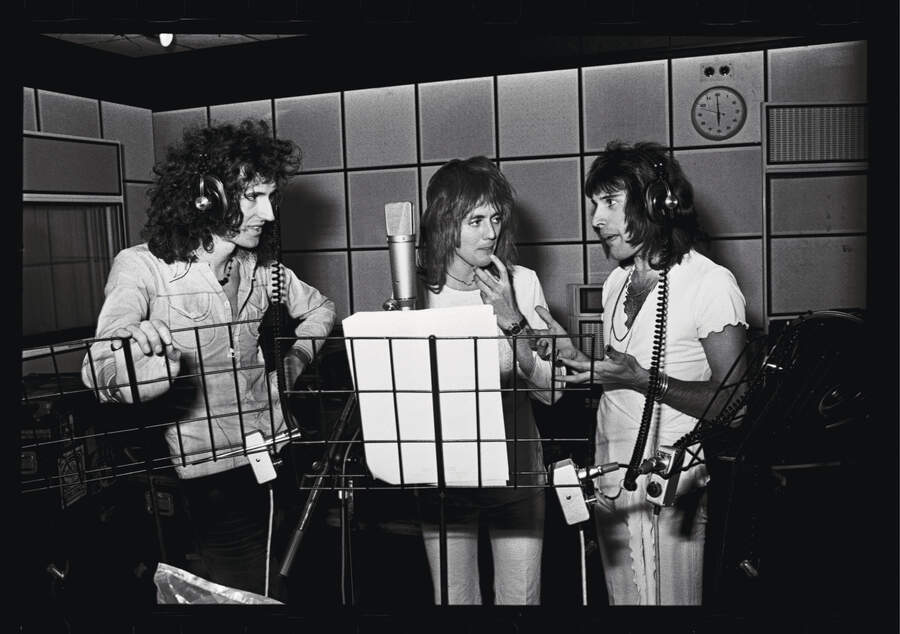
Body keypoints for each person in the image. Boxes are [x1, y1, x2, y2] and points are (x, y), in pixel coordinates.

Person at [80, 119, 336, 600]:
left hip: (278, 451)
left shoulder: (260, 268)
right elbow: (100, 365)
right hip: (210, 474)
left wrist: (297, 359)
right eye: (253, 197)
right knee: (240, 594)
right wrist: (134, 369)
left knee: (289, 581)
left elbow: (321, 308)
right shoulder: (143, 267)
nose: (269, 213)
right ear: (205, 197)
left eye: (270, 197)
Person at [534, 141, 748, 605]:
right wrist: (574, 355)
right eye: (595, 204)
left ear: (655, 204)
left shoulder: (711, 284)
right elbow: (622, 375)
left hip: (673, 486)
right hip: (611, 478)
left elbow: (736, 405)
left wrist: (646, 380)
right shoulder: (618, 281)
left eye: (610, 202)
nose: (596, 219)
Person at [414, 156, 563, 605]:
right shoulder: (418, 296)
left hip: (517, 472)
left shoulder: (523, 283)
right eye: (475, 220)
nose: (490, 232)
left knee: (521, 600)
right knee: (454, 601)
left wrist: (511, 318)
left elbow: (553, 391)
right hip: (445, 480)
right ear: (443, 224)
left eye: (495, 218)